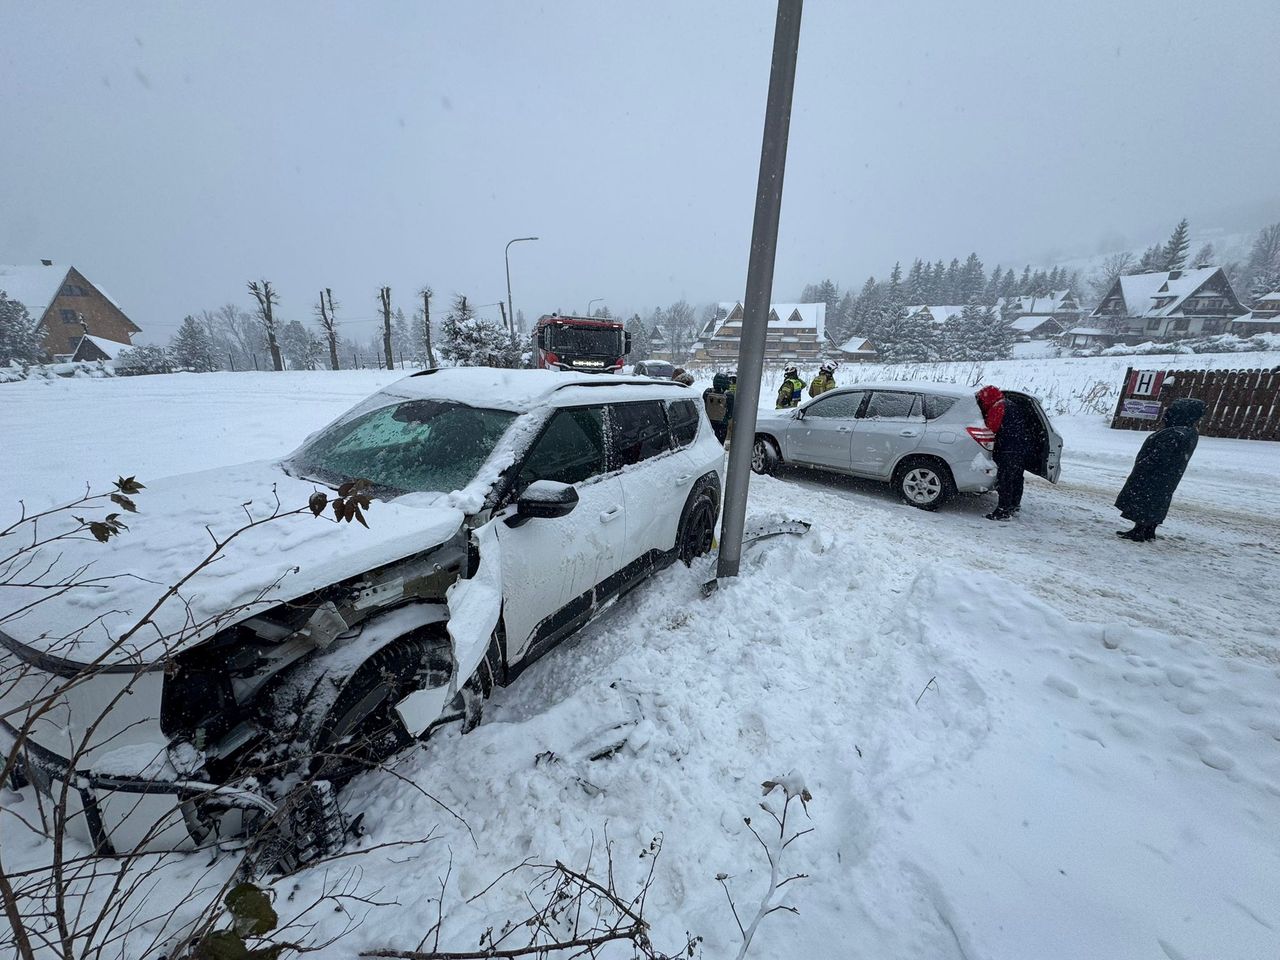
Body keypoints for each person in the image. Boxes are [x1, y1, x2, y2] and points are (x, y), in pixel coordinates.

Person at [1114, 398, 1206, 541]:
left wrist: (1143, 465)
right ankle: (1149, 530)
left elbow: (1159, 456)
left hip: (1154, 475)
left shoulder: (1175, 433)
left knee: (1146, 500)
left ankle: (1139, 531)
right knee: (1158, 501)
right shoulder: (1189, 432)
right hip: (1168, 476)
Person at [976, 384, 1034, 521]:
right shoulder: (1010, 404)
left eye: (982, 400)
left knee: (1005, 479)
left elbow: (992, 427)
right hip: (1021, 447)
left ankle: (1003, 511)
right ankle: (1014, 504)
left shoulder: (998, 407)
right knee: (1017, 477)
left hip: (1008, 449)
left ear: (987, 398)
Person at [702, 372, 735, 444]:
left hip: (708, 424)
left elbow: (702, 408)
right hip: (722, 426)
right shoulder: (729, 396)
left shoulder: (707, 392)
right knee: (718, 445)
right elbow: (729, 415)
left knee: (707, 444)